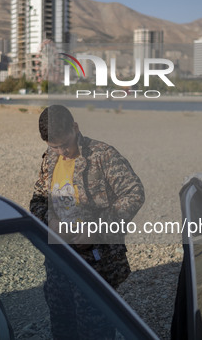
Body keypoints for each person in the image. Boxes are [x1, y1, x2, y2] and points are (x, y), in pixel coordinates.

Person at [30, 104, 145, 340]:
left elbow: (134, 193)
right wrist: (49, 221)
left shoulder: (103, 155)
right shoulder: (50, 159)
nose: (62, 151)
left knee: (96, 330)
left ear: (75, 127)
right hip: (59, 261)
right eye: (55, 146)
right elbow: (38, 200)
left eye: (65, 143)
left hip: (96, 263)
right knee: (62, 327)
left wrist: (97, 229)